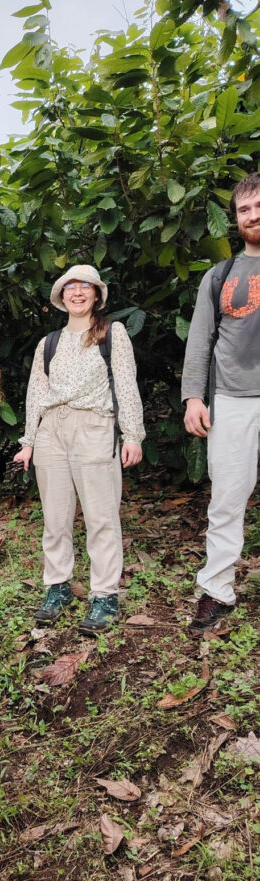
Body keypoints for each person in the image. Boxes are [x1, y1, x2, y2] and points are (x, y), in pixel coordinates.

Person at [14, 265, 144, 635]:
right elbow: (36, 394)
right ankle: (57, 587)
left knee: (101, 516)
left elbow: (125, 383)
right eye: (70, 286)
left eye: (85, 286)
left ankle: (104, 595)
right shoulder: (48, 343)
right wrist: (29, 442)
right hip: (53, 430)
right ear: (61, 296)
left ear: (97, 295)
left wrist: (132, 433)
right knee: (55, 518)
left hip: (95, 426)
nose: (77, 292)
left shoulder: (112, 333)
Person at [182, 173, 260, 636]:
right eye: (245, 209)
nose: (254, 215)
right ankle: (217, 590)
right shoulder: (220, 276)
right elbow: (199, 341)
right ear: (235, 219)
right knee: (227, 499)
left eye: (259, 206)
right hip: (232, 399)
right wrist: (194, 396)